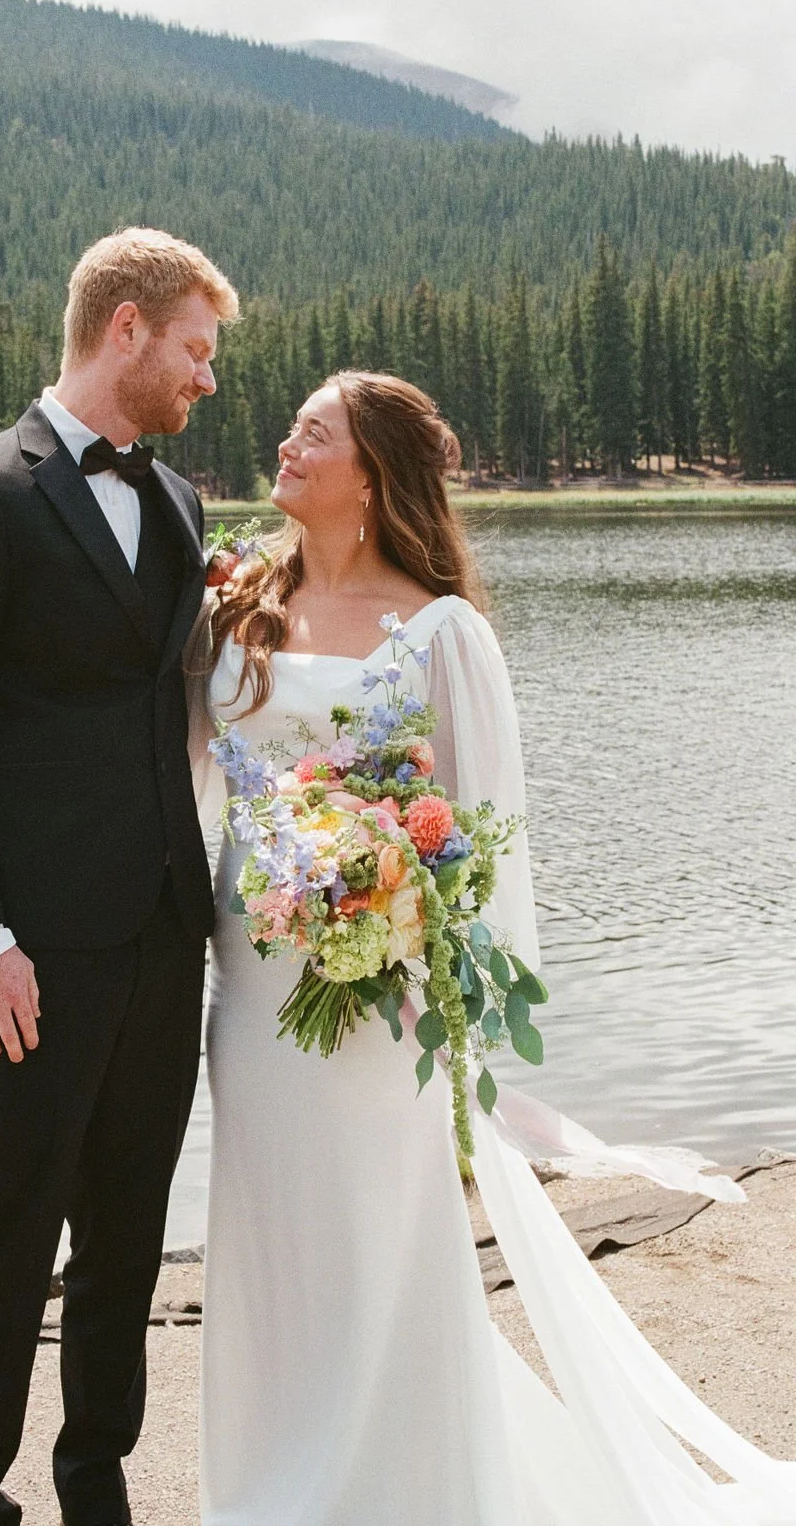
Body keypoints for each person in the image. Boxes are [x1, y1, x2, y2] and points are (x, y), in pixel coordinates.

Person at [187, 371, 796, 1524]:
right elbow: (180, 781)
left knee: (380, 1240)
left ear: (366, 473)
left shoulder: (440, 631)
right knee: (269, 1234)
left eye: (312, 432)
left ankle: (398, 1492)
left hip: (379, 998)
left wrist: (447, 1005)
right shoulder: (237, 606)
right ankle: (268, 1490)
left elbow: (481, 843)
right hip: (252, 988)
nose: (285, 441)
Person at [0, 227, 238, 1526]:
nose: (207, 379)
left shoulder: (180, 501)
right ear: (128, 329)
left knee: (126, 1247)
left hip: (164, 938)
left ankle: (97, 1487)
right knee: (11, 1234)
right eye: (197, 351)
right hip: (25, 954)